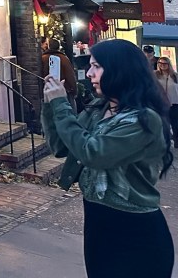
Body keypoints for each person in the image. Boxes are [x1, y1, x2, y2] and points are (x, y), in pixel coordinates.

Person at [43, 38, 174, 278]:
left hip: (136, 234)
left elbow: (94, 153)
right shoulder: (99, 108)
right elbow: (63, 146)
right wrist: (50, 105)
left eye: (97, 66)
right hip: (98, 226)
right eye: (90, 65)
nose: (90, 73)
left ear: (119, 70)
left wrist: (61, 104)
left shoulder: (144, 120)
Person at [41, 39, 78, 110]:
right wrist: (74, 90)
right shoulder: (63, 58)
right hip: (64, 90)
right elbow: (70, 75)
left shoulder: (43, 58)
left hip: (48, 89)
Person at [155, 56, 178, 148]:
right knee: (164, 123)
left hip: (175, 103)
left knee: (175, 123)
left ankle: (176, 141)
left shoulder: (175, 76)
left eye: (164, 63)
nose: (162, 65)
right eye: (160, 63)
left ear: (169, 64)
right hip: (162, 103)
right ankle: (166, 142)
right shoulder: (155, 75)